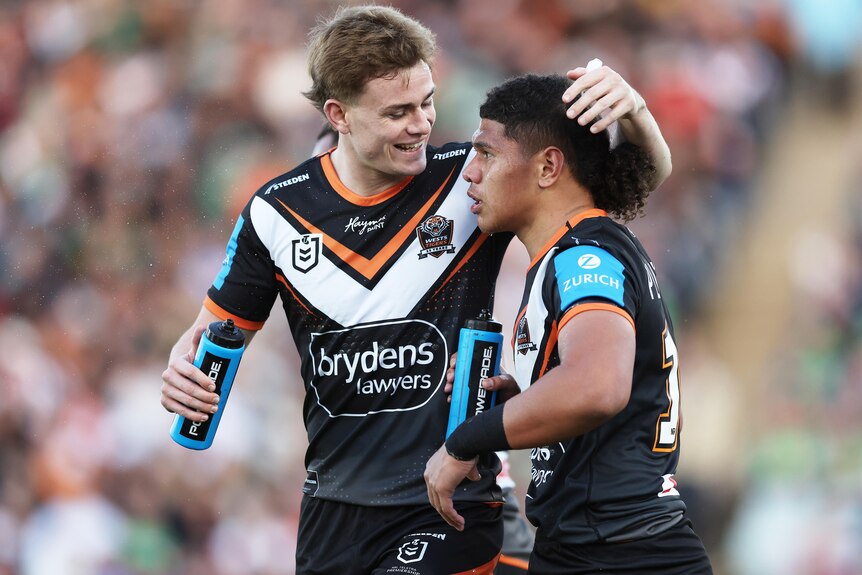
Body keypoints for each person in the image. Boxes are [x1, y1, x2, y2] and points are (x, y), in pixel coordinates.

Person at [160, 4, 672, 573]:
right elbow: (209, 336)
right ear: (340, 114)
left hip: (450, 501)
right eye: (398, 112)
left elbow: (616, 189)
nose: (422, 124)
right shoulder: (275, 213)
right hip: (333, 507)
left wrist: (637, 113)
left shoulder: (469, 179)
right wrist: (181, 372)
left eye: (427, 103)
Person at [424, 73, 713, 574]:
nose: (470, 172)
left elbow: (597, 386)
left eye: (487, 154)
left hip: (620, 552)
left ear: (548, 167)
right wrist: (527, 396)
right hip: (599, 545)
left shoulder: (583, 258)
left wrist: (466, 440)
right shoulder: (582, 248)